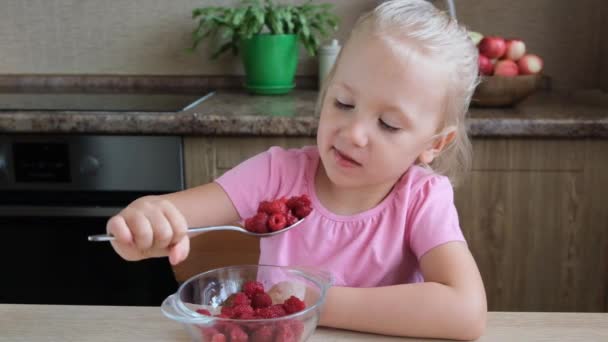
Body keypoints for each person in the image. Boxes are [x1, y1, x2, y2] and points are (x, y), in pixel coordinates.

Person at [107, 0, 487, 339]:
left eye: (388, 124)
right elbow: (172, 214)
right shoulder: (276, 174)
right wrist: (144, 221)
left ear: (434, 144)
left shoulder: (422, 199)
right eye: (343, 102)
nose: (353, 133)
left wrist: (311, 301)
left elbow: (465, 314)